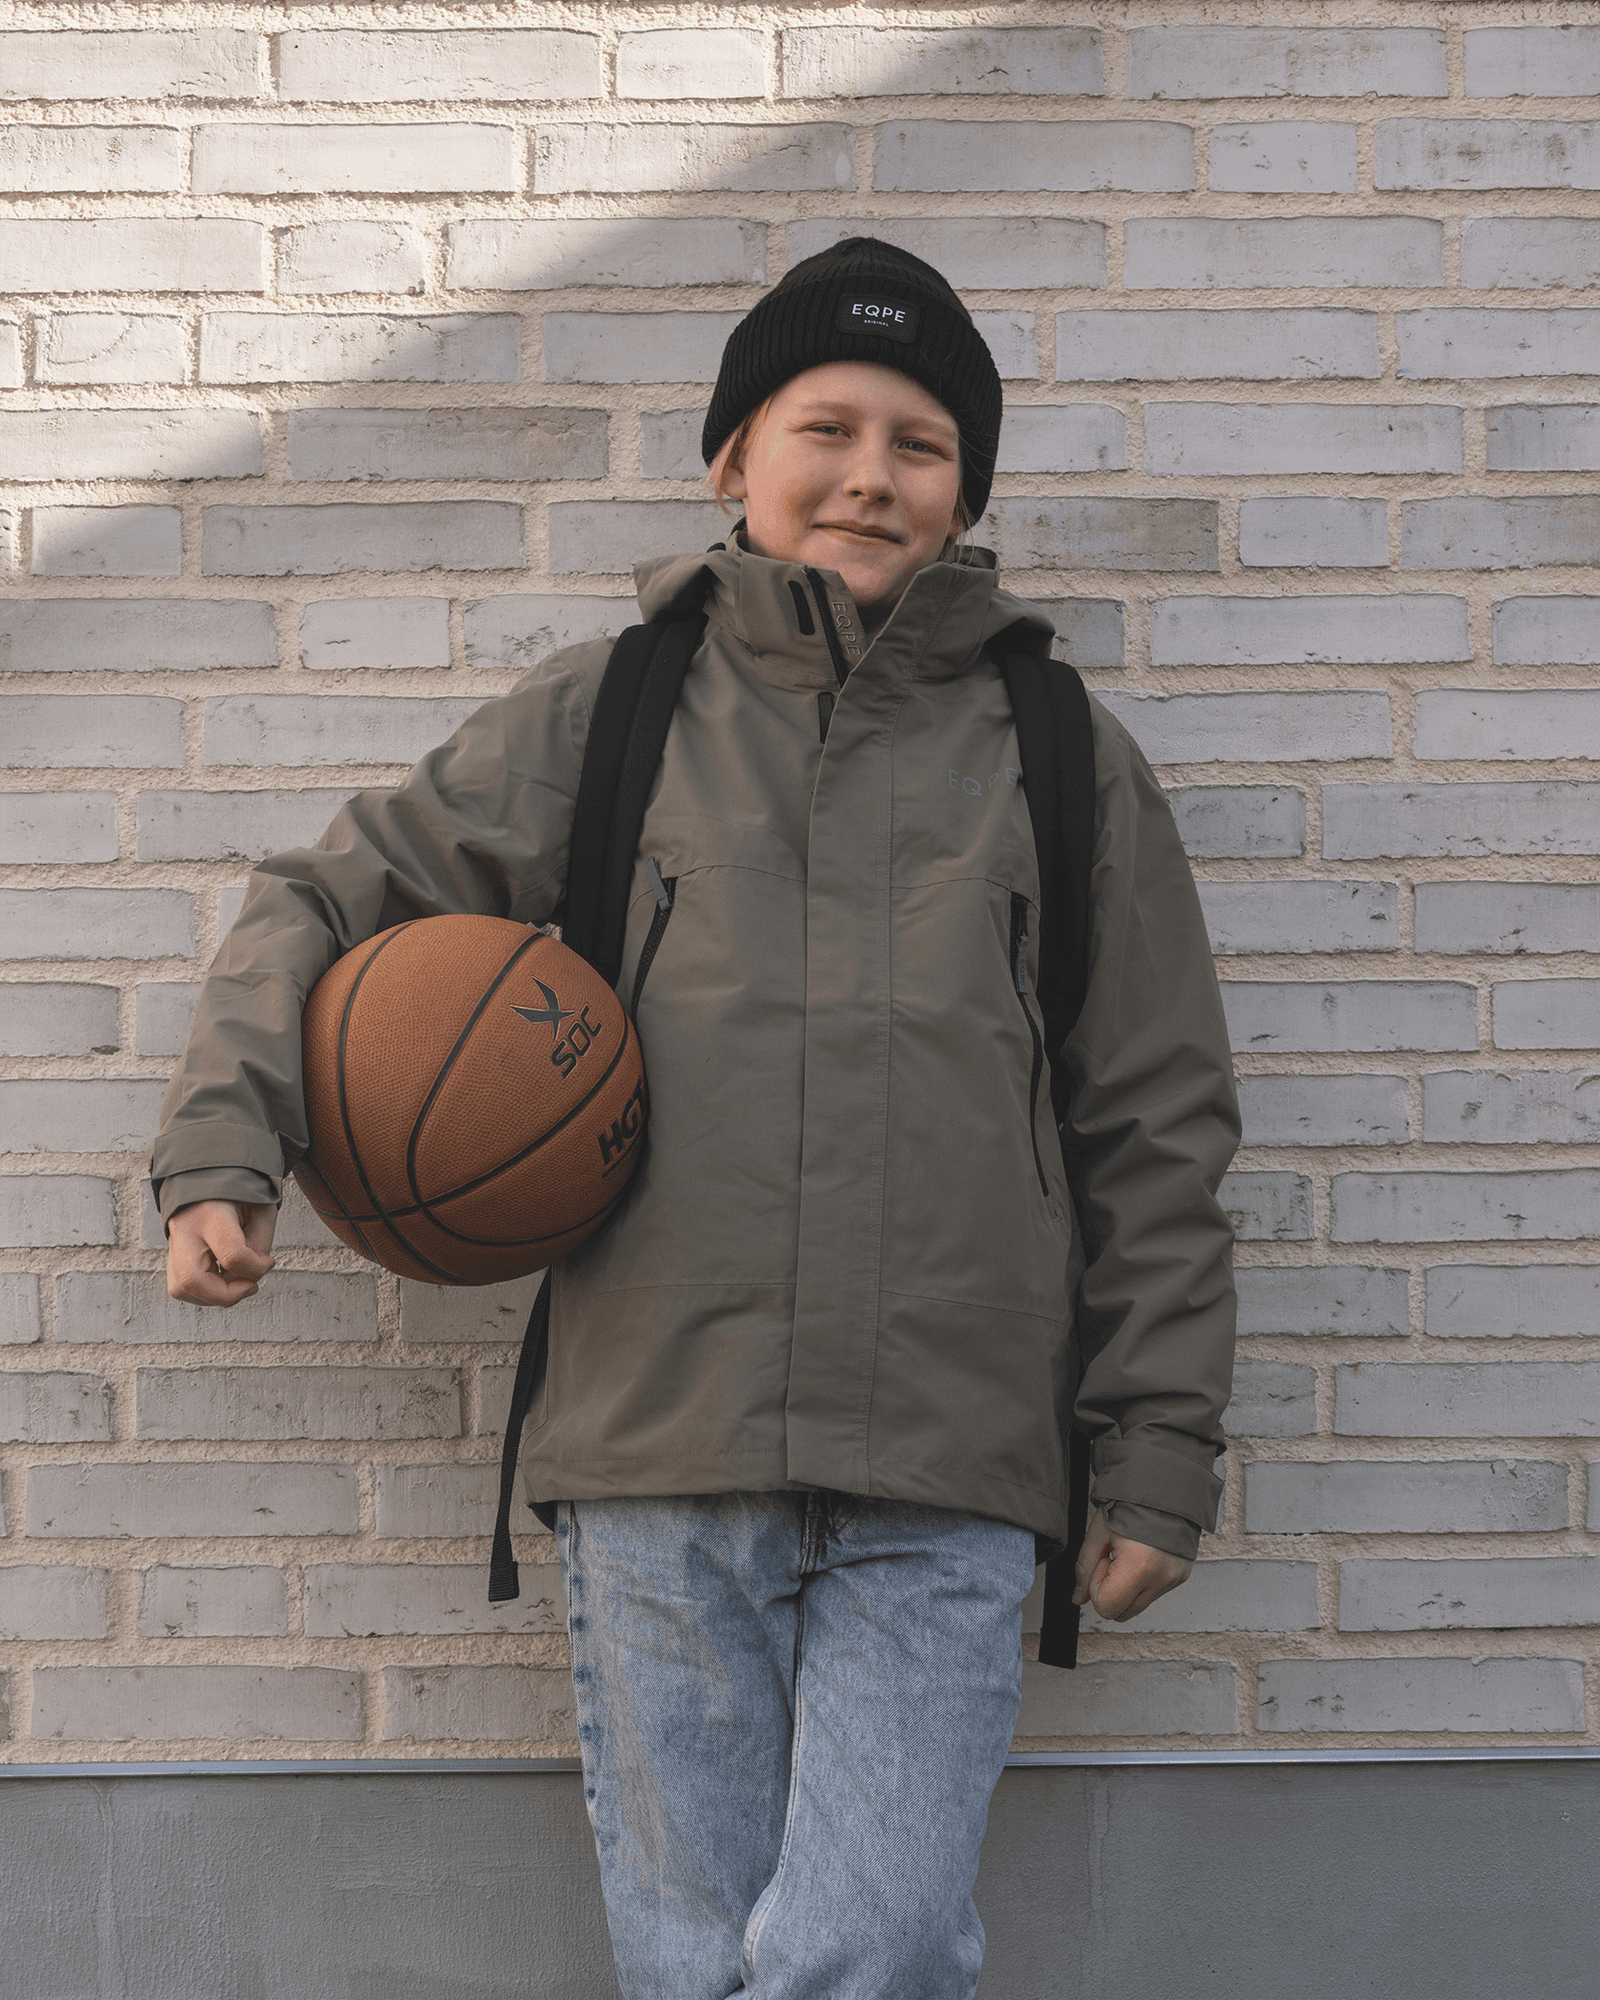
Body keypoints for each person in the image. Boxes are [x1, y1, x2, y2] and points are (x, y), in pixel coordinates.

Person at [155, 238, 1239, 2000]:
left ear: (967, 495)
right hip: (662, 1446)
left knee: (875, 1946)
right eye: (828, 428)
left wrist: (1161, 1447)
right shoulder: (615, 709)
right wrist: (228, 1148)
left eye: (921, 444)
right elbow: (331, 896)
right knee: (692, 1966)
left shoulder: (1059, 750)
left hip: (953, 1461)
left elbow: (1157, 1123)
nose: (871, 475)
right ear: (735, 458)